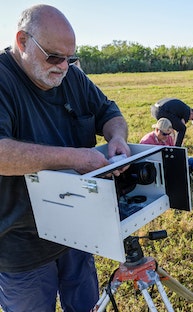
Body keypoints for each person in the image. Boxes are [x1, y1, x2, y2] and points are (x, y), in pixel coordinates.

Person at [0, 4, 130, 312]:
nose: (63, 66)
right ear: (22, 42)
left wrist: (117, 138)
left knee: (86, 305)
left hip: (78, 228)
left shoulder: (72, 77)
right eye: (54, 56)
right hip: (22, 243)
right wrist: (75, 158)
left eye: (70, 58)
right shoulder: (3, 81)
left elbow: (108, 111)